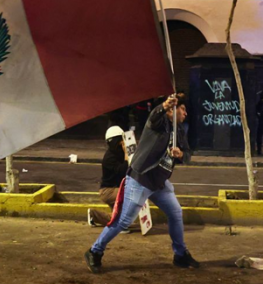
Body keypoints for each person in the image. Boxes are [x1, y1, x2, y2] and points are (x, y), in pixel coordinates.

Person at [84, 95, 199, 274]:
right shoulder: (157, 124)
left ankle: (180, 254)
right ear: (172, 110)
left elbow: (188, 155)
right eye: (182, 109)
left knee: (176, 213)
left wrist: (181, 155)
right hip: (141, 179)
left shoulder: (179, 131)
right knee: (124, 220)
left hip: (159, 182)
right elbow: (154, 116)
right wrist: (164, 105)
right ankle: (95, 251)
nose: (185, 113)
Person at [87, 126, 137, 232]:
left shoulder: (118, 152)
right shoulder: (109, 158)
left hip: (117, 188)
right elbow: (124, 171)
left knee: (120, 218)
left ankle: (94, 215)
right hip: (108, 191)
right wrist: (126, 154)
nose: (123, 143)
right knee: (130, 195)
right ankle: (121, 224)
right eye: (121, 141)